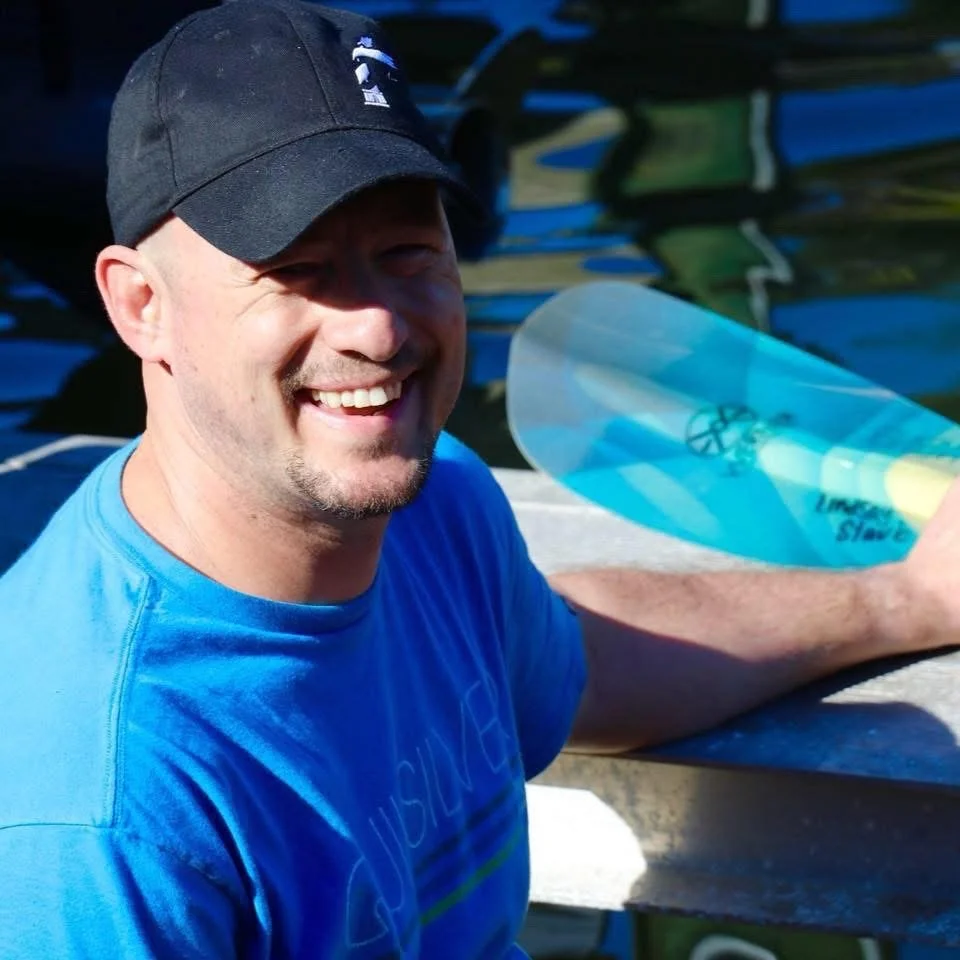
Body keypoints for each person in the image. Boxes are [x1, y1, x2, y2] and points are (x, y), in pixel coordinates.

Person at [0, 1, 957, 956]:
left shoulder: (436, 505)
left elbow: (577, 663)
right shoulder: (98, 816)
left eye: (408, 252)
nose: (374, 326)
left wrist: (907, 597)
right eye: (297, 270)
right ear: (140, 306)